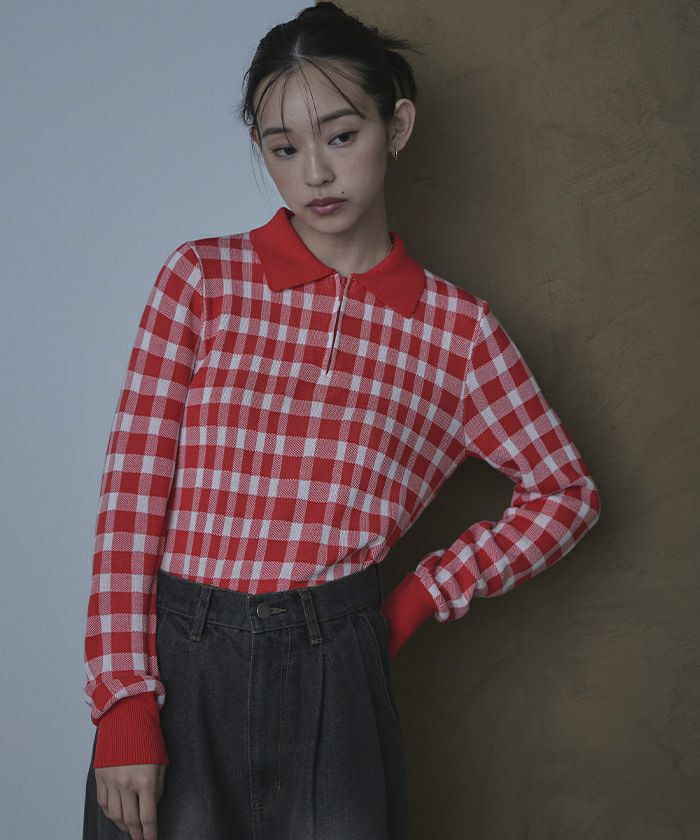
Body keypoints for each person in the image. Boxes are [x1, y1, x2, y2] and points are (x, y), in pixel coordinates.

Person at [81, 3, 602, 839]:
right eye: (283, 149)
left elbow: (566, 492)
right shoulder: (202, 280)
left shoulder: (458, 333)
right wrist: (123, 701)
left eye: (341, 135)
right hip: (178, 669)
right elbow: (131, 496)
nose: (316, 173)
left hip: (337, 674)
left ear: (397, 127)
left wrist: (423, 595)